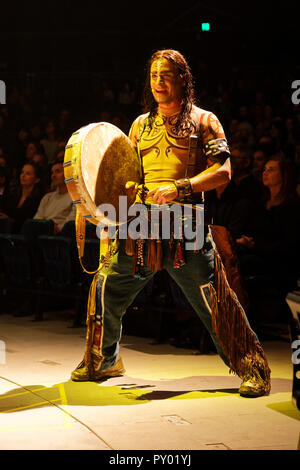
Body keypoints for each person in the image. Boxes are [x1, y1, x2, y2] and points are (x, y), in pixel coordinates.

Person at [71, 49, 271, 397]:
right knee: (106, 285)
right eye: (153, 75)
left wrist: (181, 186)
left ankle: (253, 367)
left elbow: (224, 171)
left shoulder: (205, 120)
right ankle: (103, 359)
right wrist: (104, 204)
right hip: (142, 224)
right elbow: (126, 177)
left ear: (183, 78)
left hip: (185, 225)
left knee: (214, 300)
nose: (158, 81)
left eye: (166, 74)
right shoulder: (138, 125)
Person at [0, 162, 44, 233]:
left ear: (37, 179)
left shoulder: (39, 199)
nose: (23, 175)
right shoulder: (13, 195)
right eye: (22, 172)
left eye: (28, 174)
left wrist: (9, 220)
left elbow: (30, 222)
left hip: (25, 234)